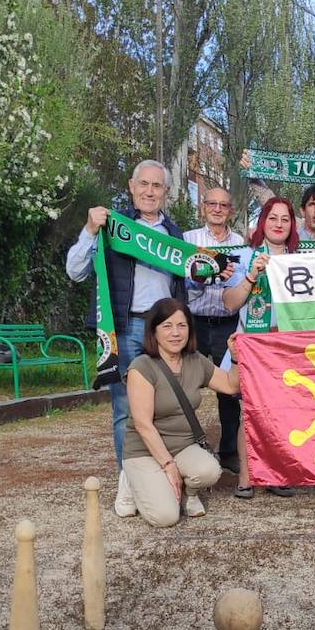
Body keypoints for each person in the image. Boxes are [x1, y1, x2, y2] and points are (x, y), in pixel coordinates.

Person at [65, 159, 185, 485]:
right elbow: (75, 272)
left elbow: (190, 283)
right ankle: (128, 483)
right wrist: (89, 229)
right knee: (124, 408)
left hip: (164, 332)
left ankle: (165, 477)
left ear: (166, 192)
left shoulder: (177, 237)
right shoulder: (109, 227)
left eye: (157, 185)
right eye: (143, 184)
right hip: (125, 326)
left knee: (166, 407)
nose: (149, 191)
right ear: (131, 188)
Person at [121, 298, 241, 527]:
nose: (175, 333)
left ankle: (189, 492)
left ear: (190, 329)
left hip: (183, 445)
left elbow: (230, 385)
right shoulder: (142, 366)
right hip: (144, 450)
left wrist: (234, 357)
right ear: (153, 332)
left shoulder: (195, 361)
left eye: (182, 325)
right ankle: (131, 480)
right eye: (167, 326)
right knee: (165, 517)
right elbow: (143, 424)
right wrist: (168, 466)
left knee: (209, 471)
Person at [220, 197, 300, 499]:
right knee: (248, 414)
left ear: (292, 225)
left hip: (285, 348)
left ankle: (276, 473)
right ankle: (246, 476)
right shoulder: (244, 256)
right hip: (252, 346)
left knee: (281, 414)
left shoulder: (300, 259)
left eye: (285, 219)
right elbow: (229, 304)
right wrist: (252, 275)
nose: (279, 224)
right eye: (273, 218)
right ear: (262, 222)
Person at [183, 186, 243, 473]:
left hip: (226, 323)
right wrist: (207, 276)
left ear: (230, 210)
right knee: (183, 383)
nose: (217, 209)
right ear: (203, 207)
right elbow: (180, 280)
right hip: (193, 321)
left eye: (223, 205)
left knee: (230, 390)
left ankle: (229, 450)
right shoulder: (188, 240)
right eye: (212, 204)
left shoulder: (241, 244)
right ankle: (186, 448)